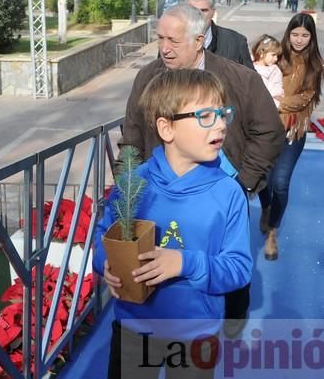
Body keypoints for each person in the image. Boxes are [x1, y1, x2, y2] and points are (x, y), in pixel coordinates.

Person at [121, 3, 284, 335]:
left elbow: (269, 131)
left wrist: (244, 181)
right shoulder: (147, 78)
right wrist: (129, 189)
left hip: (221, 191)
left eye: (174, 40)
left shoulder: (240, 79)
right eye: (160, 38)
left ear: (199, 40)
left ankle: (233, 314)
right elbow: (132, 135)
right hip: (161, 196)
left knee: (224, 262)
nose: (164, 48)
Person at [94, 69, 253, 378]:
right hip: (133, 330)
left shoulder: (229, 193)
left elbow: (239, 269)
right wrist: (107, 265)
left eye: (223, 114)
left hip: (195, 336)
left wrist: (184, 263)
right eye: (206, 115)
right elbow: (104, 239)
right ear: (167, 129)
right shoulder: (132, 185)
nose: (221, 124)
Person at [258, 13, 324, 260]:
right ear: (288, 33)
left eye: (305, 35)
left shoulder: (316, 65)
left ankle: (272, 232)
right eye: (295, 34)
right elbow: (257, 73)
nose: (299, 40)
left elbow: (307, 97)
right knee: (264, 179)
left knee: (281, 183)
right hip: (266, 129)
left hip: (293, 131)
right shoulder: (276, 56)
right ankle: (266, 207)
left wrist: (279, 103)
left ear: (312, 37)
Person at [187, 0, 254, 70]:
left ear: (213, 12)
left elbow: (251, 81)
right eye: (193, 11)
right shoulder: (171, 42)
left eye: (204, 10)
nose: (198, 15)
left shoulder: (237, 42)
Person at [251, 34, 283, 106]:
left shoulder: (275, 71)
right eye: (273, 55)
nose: (276, 59)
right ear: (261, 53)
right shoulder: (249, 66)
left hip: (268, 106)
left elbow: (276, 90)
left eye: (277, 55)